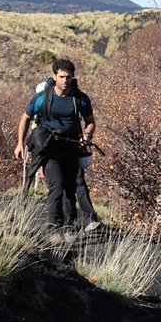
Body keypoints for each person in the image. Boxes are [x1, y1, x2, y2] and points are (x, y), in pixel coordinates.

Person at [14, 59, 96, 240]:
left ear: (73, 77)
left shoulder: (80, 99)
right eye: (61, 77)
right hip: (49, 148)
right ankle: (53, 228)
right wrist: (20, 143)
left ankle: (69, 227)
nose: (65, 80)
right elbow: (25, 118)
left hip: (72, 148)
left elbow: (90, 121)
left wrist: (88, 135)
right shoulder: (42, 97)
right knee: (56, 186)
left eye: (68, 77)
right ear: (54, 77)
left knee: (70, 188)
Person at [33, 77, 101, 233]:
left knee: (65, 185)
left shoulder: (47, 104)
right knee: (71, 184)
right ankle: (78, 221)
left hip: (65, 148)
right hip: (64, 148)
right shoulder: (72, 100)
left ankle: (68, 224)